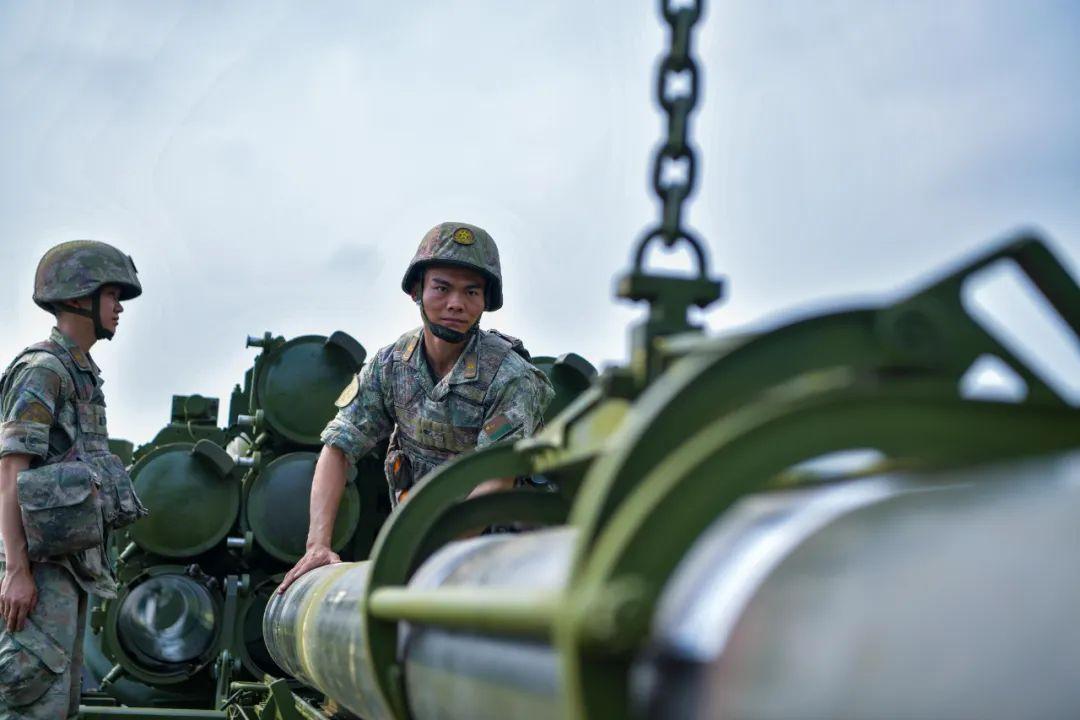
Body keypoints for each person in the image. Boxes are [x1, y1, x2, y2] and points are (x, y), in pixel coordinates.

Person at [280, 222, 553, 591]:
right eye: (442, 288)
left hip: (503, 560)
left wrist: (427, 557)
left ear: (485, 301)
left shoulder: (511, 377)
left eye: (471, 291)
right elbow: (338, 447)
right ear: (416, 291)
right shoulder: (391, 365)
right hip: (418, 552)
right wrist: (317, 546)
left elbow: (495, 478)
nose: (456, 303)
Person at [0, 241, 146, 719]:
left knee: (60, 705)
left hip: (68, 570)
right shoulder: (43, 371)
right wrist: (16, 571)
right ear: (81, 296)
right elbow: (10, 471)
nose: (119, 307)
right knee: (30, 696)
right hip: (38, 571)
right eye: (112, 295)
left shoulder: (81, 375)